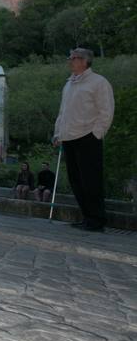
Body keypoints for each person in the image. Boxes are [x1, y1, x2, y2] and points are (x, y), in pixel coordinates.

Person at [53, 47, 114, 232]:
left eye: (73, 58)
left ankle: (97, 220)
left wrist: (97, 133)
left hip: (88, 137)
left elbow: (106, 110)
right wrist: (58, 134)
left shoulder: (99, 82)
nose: (70, 61)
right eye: (70, 58)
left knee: (91, 180)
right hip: (69, 138)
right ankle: (87, 217)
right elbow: (63, 112)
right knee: (76, 180)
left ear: (84, 61)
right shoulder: (69, 84)